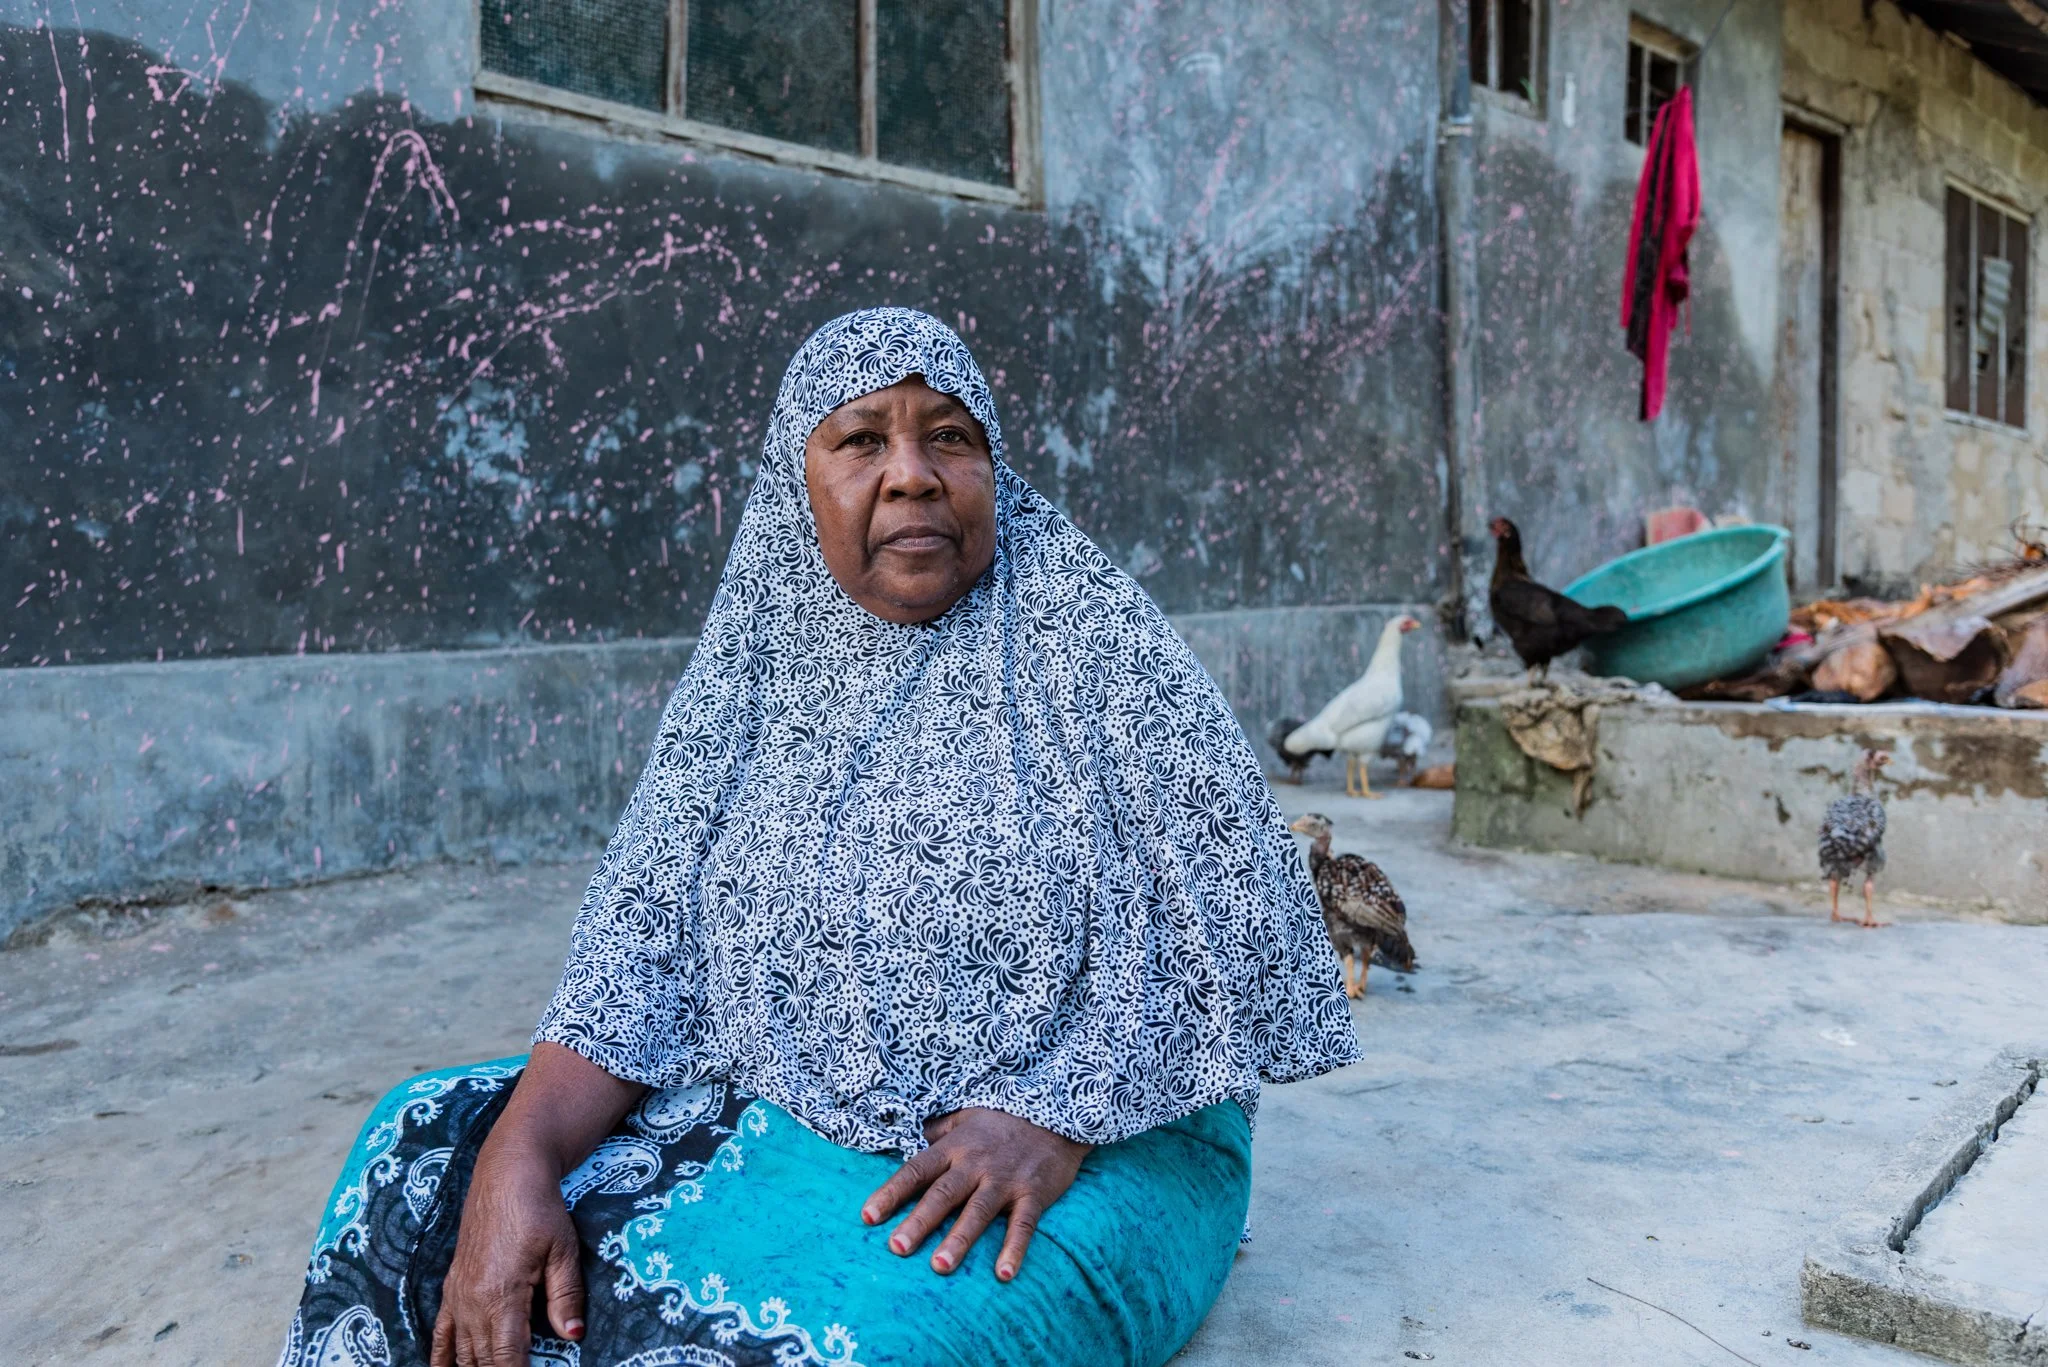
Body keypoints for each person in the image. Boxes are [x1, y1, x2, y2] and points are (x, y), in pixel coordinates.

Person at [278, 308, 1359, 1367]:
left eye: (949, 436)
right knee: (423, 1159)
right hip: (793, 1096)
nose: (911, 473)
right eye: (859, 439)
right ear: (795, 488)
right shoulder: (754, 667)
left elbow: (1239, 928)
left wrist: (1055, 1115)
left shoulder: (1098, 646)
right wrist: (521, 1153)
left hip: (1099, 1136)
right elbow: (639, 945)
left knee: (855, 1343)